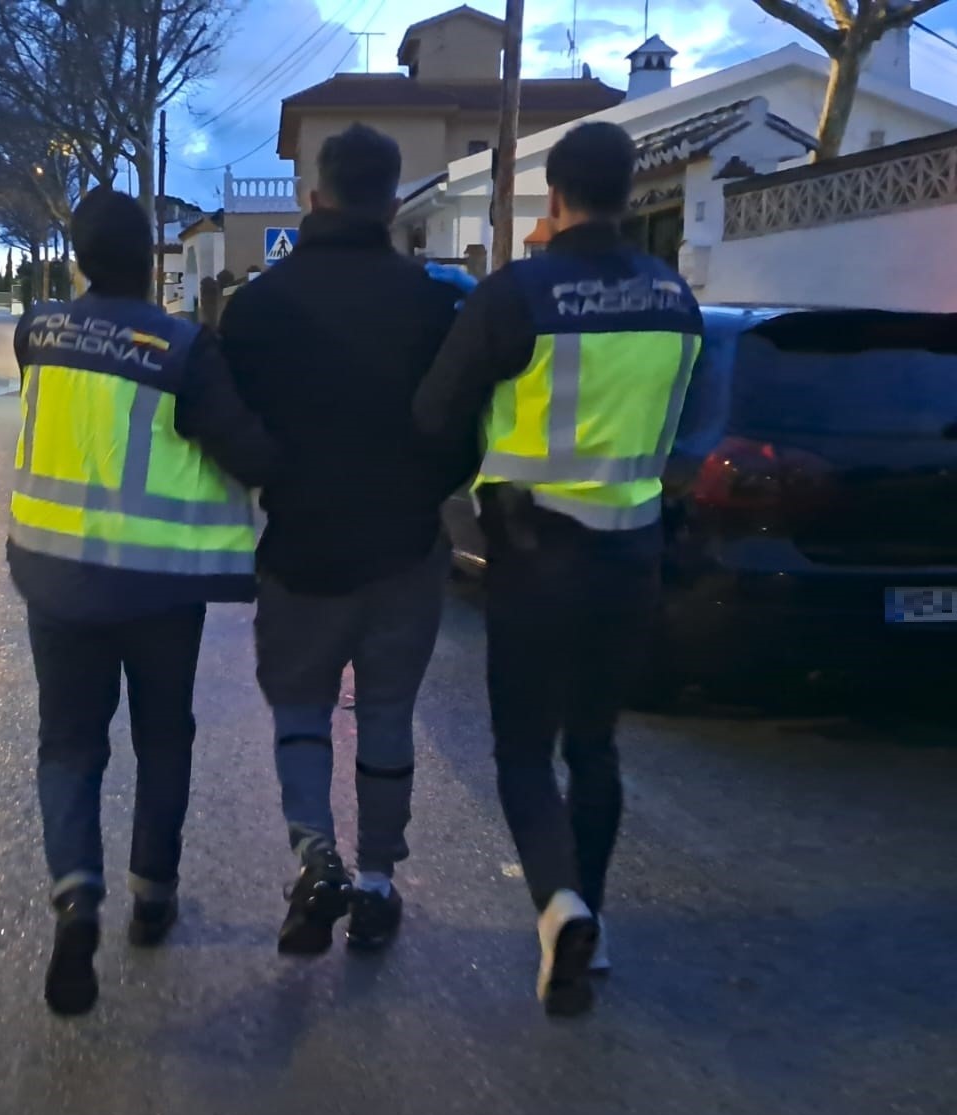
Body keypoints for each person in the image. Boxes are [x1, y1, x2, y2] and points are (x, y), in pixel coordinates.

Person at [412, 122, 707, 1015]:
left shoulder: (517, 294)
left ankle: (559, 905)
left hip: (536, 552)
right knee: (594, 743)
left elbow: (436, 414)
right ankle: (592, 924)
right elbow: (688, 427)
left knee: (522, 749)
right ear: (630, 191)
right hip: (633, 553)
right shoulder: (675, 298)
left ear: (557, 196)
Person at [8, 188, 277, 1016]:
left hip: (56, 577)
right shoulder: (182, 349)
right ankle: (153, 895)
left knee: (68, 743)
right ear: (153, 262)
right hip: (158, 587)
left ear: (79, 259)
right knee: (163, 735)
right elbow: (248, 451)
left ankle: (75, 894)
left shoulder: (36, 332)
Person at [218, 123, 479, 956]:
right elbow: (463, 432)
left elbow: (228, 422)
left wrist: (276, 477)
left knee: (300, 706)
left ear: (313, 196)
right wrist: (424, 492)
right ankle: (376, 882)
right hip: (404, 547)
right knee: (388, 711)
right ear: (393, 202)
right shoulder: (438, 307)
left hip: (301, 546)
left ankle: (314, 852)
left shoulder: (256, 307)